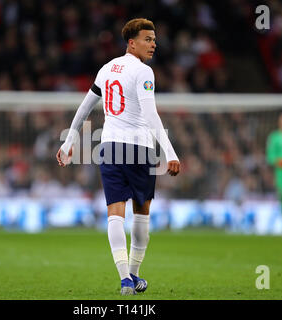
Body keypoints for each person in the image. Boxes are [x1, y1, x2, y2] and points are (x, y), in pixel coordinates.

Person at [56, 18, 180, 295]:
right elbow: (150, 114)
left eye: (154, 40)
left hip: (110, 147)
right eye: (147, 39)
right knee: (141, 213)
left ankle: (126, 279)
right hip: (138, 148)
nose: (153, 44)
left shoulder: (107, 68)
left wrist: (69, 141)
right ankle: (134, 273)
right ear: (131, 43)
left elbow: (84, 108)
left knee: (114, 212)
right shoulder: (143, 71)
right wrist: (170, 152)